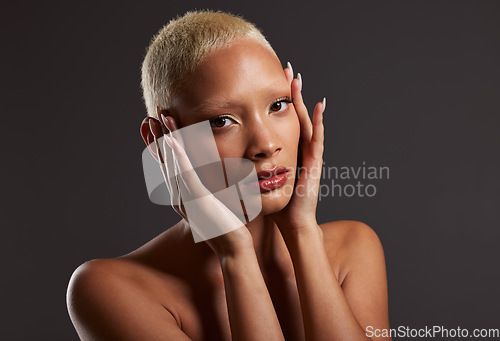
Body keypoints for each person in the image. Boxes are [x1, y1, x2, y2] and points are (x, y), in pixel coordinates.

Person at [67, 10, 391, 341]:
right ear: (161, 141)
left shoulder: (353, 248)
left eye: (278, 105)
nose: (265, 144)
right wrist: (235, 255)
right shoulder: (109, 290)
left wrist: (302, 231)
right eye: (222, 121)